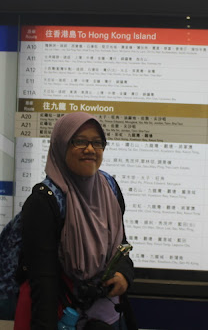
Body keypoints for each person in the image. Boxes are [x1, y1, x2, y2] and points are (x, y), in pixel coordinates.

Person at [15, 112, 137, 330]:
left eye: (97, 143)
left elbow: (121, 248)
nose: (90, 149)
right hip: (64, 319)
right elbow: (43, 285)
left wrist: (123, 275)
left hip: (110, 318)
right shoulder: (43, 203)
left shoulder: (110, 189)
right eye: (79, 141)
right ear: (61, 146)